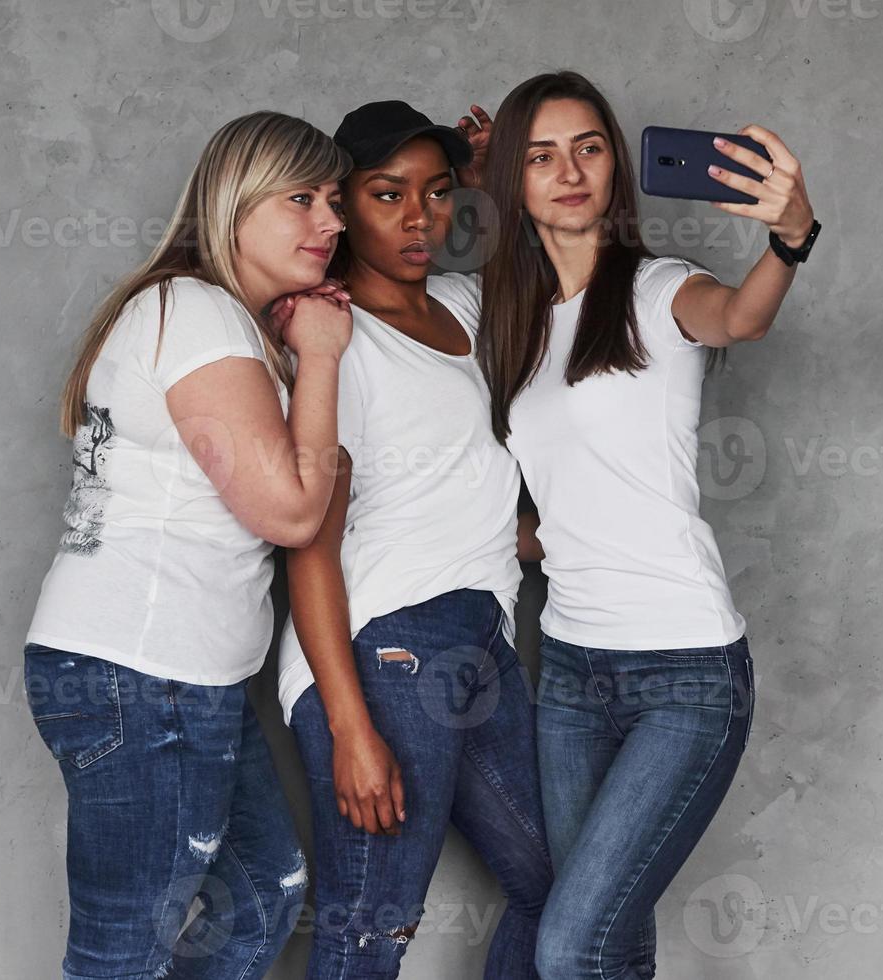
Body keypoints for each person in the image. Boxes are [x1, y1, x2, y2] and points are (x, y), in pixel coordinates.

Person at [475, 70, 819, 978]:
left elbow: (741, 318)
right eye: (541, 157)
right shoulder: (515, 325)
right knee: (608, 945)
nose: (570, 170)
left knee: (571, 947)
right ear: (514, 180)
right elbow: (559, 515)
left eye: (588, 147)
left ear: (616, 166)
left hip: (685, 675)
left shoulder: (661, 291)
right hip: (571, 674)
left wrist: (790, 237)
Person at [22, 111, 353, 980]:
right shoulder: (197, 313)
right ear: (234, 205)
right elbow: (288, 514)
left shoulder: (206, 316)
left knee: (261, 897)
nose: (333, 221)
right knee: (124, 953)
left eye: (334, 199)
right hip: (143, 674)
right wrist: (319, 357)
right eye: (303, 199)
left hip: (177, 677)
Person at [278, 100, 552, 978]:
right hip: (386, 648)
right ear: (341, 204)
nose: (416, 217)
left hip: (480, 638)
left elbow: (553, 274)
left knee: (563, 886)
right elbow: (308, 548)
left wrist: (481, 176)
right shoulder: (332, 337)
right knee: (370, 933)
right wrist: (352, 728)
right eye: (386, 193)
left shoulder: (463, 307)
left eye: (435, 196)